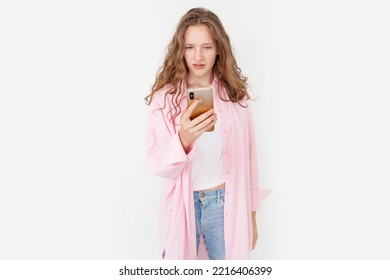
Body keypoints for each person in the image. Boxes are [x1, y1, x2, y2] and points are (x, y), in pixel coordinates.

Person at [145, 7, 269, 260]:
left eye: (207, 47)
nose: (198, 56)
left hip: (225, 203)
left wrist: (252, 217)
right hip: (183, 206)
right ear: (180, 50)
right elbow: (155, 164)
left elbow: (250, 160)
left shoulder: (235, 97)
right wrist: (184, 140)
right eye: (190, 47)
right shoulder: (164, 99)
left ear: (218, 49)